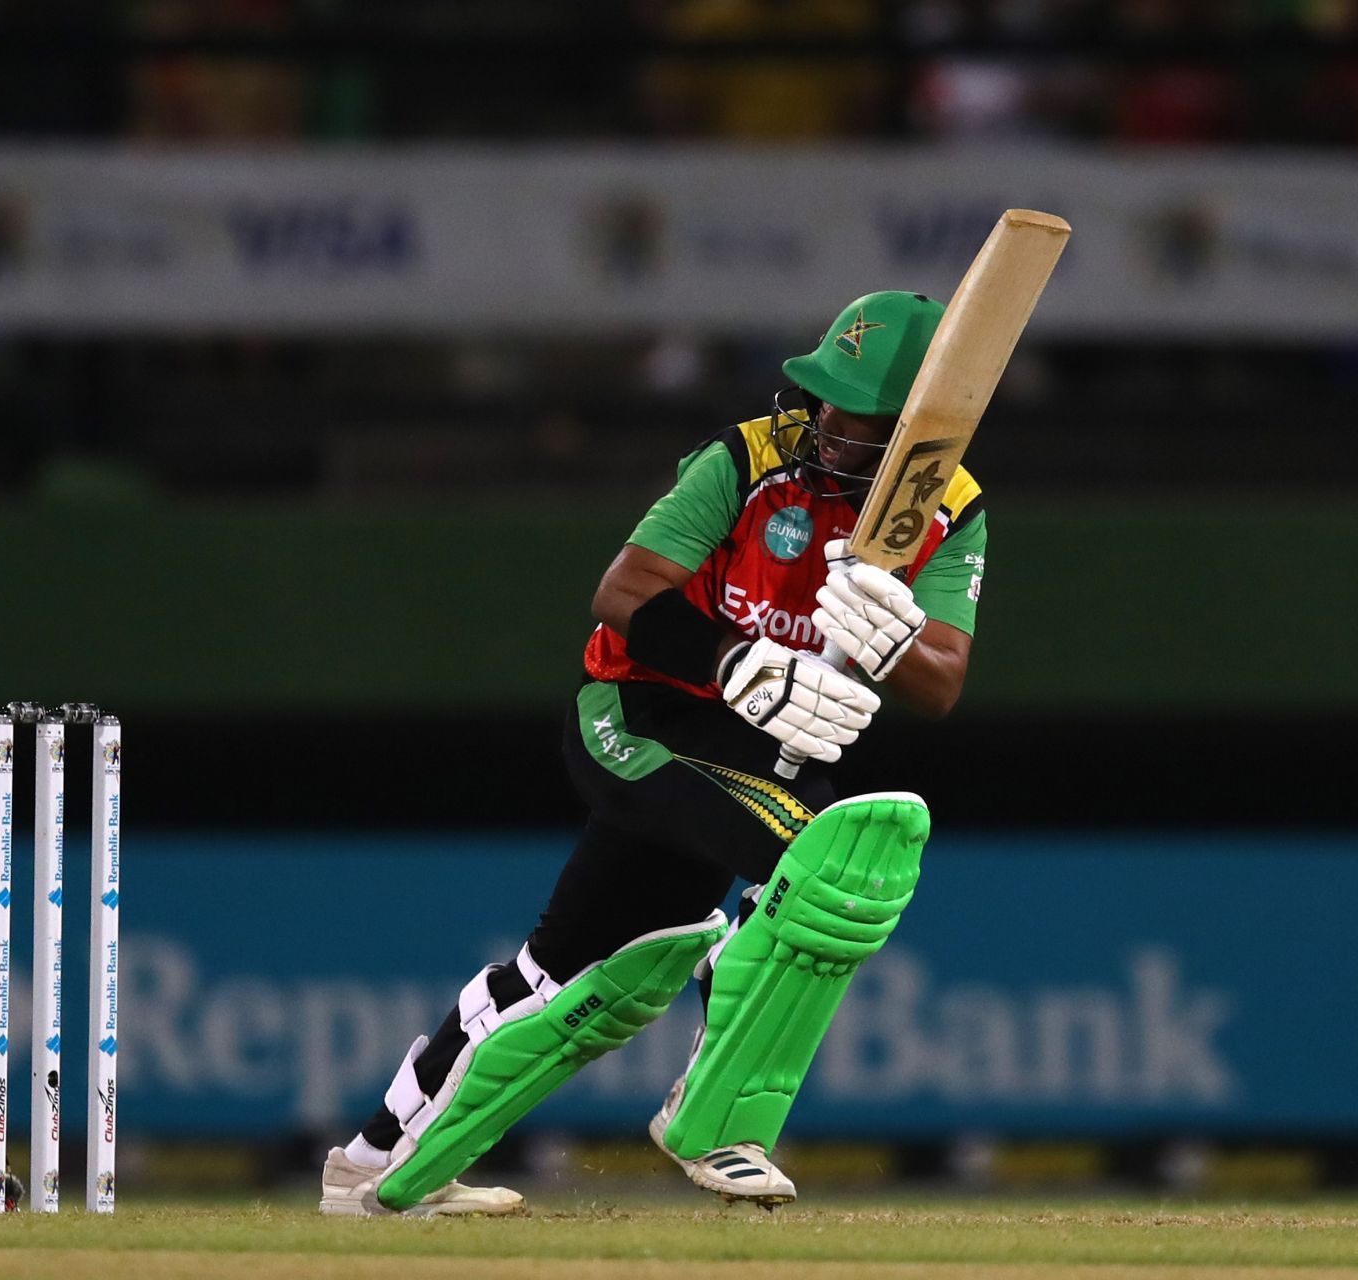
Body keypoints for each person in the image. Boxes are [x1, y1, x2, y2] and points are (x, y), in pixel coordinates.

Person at [319, 290, 987, 1217]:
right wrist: (734, 656)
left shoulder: (947, 507)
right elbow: (624, 591)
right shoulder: (744, 458)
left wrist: (892, 641)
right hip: (638, 714)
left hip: (751, 753)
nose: (829, 423)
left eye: (857, 413)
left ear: (912, 427)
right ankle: (717, 1122)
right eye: (825, 397)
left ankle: (369, 1167)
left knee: (570, 978)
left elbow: (942, 680)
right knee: (833, 865)